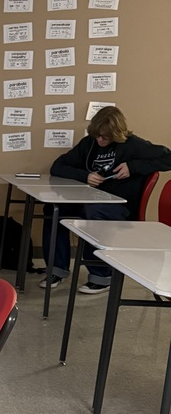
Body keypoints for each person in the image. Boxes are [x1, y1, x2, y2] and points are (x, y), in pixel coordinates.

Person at [41, 105, 171, 294]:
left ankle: (101, 276)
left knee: (93, 213)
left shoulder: (134, 145)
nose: (100, 140)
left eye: (105, 137)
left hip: (120, 206)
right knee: (53, 210)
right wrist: (85, 176)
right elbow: (58, 166)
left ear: (117, 134)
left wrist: (133, 167)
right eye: (97, 136)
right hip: (89, 200)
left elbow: (168, 158)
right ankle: (57, 270)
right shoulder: (89, 144)